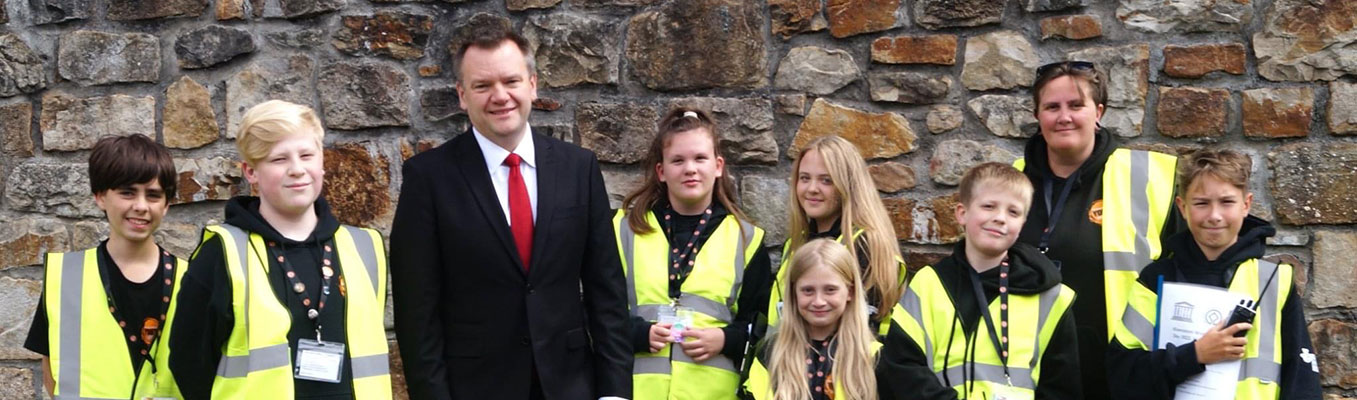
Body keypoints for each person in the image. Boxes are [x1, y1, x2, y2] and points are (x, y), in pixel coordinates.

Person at [388, 23, 631, 400]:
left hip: (570, 386)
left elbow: (607, 292)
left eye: (511, 81)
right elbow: (417, 314)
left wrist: (614, 392)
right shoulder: (428, 178)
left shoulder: (579, 168)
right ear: (462, 96)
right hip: (475, 388)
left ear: (532, 85)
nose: (500, 96)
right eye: (483, 86)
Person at [168, 100, 392, 399]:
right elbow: (189, 365)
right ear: (251, 172)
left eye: (306, 155)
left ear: (322, 162)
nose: (297, 169)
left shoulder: (366, 247)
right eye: (279, 159)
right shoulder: (223, 253)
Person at [1015, 60, 1183, 399]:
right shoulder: (1009, 182)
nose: (1064, 117)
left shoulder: (1149, 178)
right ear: (1038, 117)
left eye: (1076, 105)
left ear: (1098, 112)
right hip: (1029, 373)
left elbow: (1189, 271)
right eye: (1052, 107)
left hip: (1122, 373)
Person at [1107, 149, 1322, 399]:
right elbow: (1122, 374)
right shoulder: (1155, 279)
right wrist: (1194, 355)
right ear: (1182, 207)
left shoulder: (1275, 282)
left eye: (1227, 202)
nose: (1214, 216)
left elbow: (1302, 384)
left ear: (1246, 205)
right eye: (1201, 203)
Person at [879, 162, 1081, 400]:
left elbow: (1061, 387)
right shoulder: (928, 284)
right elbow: (901, 365)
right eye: (989, 206)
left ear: (1022, 225)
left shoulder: (1051, 297)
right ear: (962, 213)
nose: (1000, 218)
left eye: (1013, 212)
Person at [613, 107, 771, 400]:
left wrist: (727, 339)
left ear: (718, 165)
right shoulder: (623, 230)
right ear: (661, 171)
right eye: (678, 160)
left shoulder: (746, 239)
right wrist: (637, 334)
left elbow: (764, 328)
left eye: (700, 158)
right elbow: (597, 311)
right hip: (634, 392)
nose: (690, 168)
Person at [24, 134, 185, 399]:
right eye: (127, 192)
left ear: (166, 204)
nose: (141, 206)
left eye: (153, 195)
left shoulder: (191, 280)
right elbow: (51, 373)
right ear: (100, 196)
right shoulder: (66, 279)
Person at [766, 135, 906, 339]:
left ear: (847, 185)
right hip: (784, 364)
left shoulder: (866, 245)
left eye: (826, 180)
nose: (812, 188)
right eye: (805, 178)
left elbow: (867, 329)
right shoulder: (795, 244)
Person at [743, 238, 879, 400]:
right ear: (794, 293)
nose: (819, 301)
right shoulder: (771, 354)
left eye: (830, 290)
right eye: (808, 290)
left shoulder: (873, 356)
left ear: (850, 292)